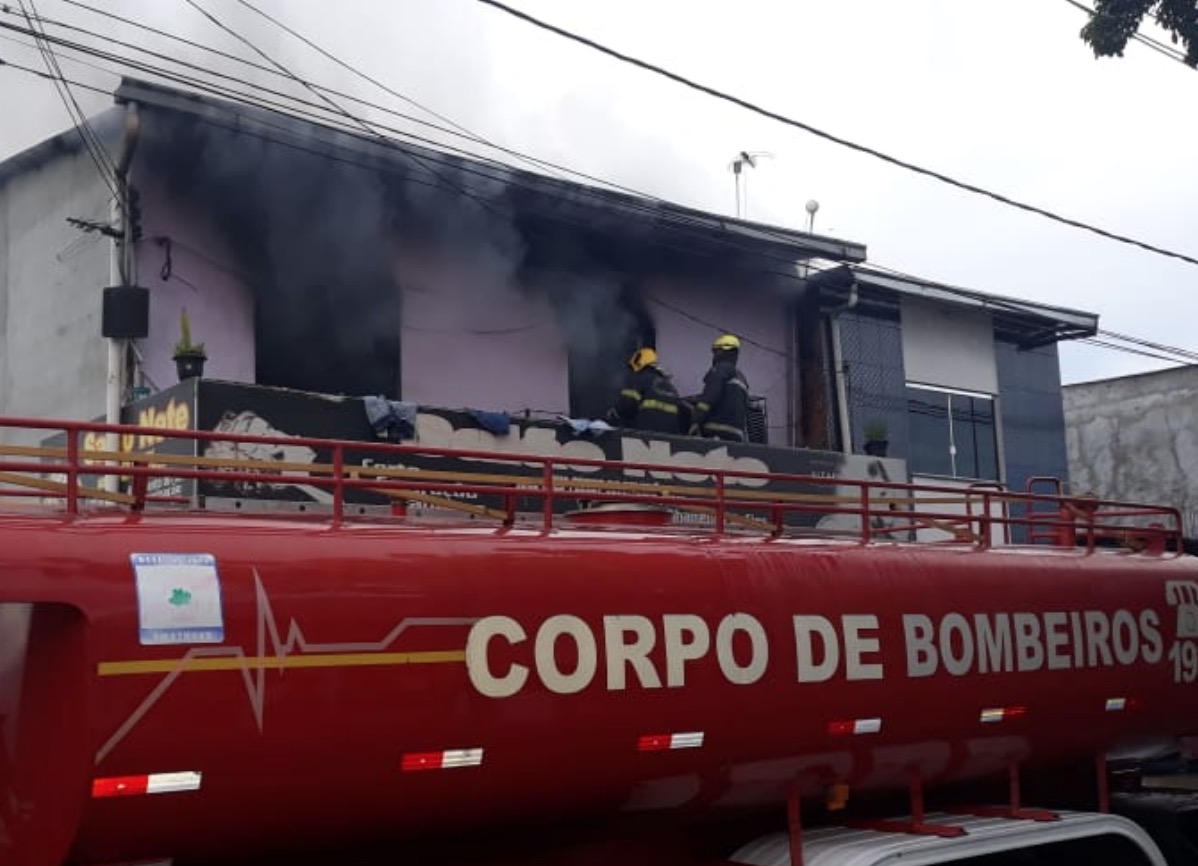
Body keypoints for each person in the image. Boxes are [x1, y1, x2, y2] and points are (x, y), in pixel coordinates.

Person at [606, 347, 684, 434]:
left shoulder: (640, 379)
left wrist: (612, 414)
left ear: (638, 361)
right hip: (670, 439)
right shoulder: (670, 387)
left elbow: (626, 404)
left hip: (645, 435)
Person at [690, 334, 749, 441]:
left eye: (716, 351)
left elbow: (709, 398)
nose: (714, 355)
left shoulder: (720, 369)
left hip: (716, 432)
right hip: (737, 436)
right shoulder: (742, 378)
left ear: (722, 351)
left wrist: (695, 420)